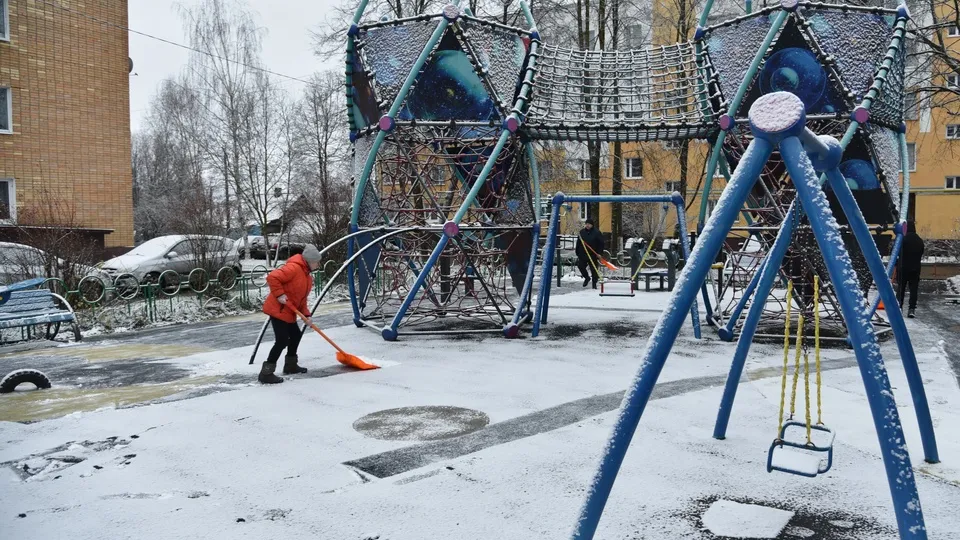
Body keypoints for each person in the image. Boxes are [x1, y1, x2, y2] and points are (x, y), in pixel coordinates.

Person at [258, 244, 323, 384]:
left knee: (295, 335)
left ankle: (290, 365)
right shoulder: (293, 268)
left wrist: (307, 315)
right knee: (282, 340)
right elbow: (273, 277)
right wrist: (279, 294)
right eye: (317, 262)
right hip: (279, 309)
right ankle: (266, 373)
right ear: (310, 261)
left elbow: (301, 300)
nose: (318, 265)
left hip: (289, 310)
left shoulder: (307, 277)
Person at [898, 222, 924, 318]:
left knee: (901, 288)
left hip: (903, 268)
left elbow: (897, 252)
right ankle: (911, 309)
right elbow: (921, 253)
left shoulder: (902, 239)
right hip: (915, 269)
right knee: (914, 290)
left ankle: (900, 307)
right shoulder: (919, 240)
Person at [575, 218, 604, 289]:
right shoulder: (582, 232)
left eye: (589, 224)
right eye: (586, 224)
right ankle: (587, 277)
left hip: (593, 254)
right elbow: (578, 242)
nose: (587, 225)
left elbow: (601, 243)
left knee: (594, 269)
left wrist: (599, 253)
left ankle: (594, 284)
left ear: (592, 225)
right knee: (580, 266)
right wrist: (577, 252)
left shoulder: (597, 232)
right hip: (583, 254)